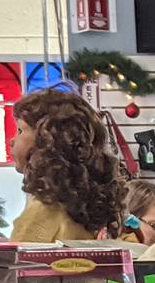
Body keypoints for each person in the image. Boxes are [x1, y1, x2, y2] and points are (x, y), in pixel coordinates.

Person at [9, 89, 125, 242]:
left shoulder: (44, 212)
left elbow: (20, 261)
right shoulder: (82, 208)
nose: (12, 140)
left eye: (20, 130)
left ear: (47, 140)